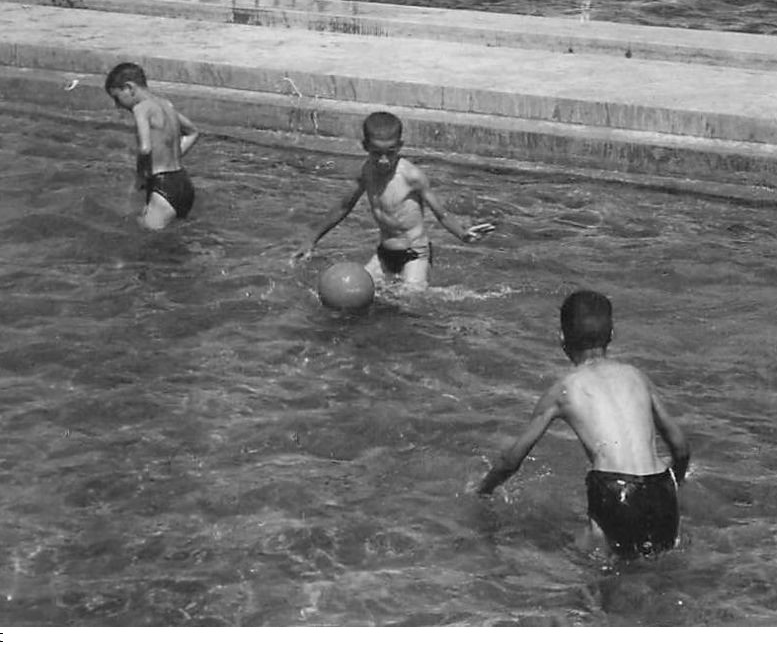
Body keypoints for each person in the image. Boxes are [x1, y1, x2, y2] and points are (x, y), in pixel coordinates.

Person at [478, 289, 691, 560]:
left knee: (588, 572)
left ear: (561, 339)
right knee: (656, 571)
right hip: (661, 487)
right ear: (612, 335)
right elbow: (681, 448)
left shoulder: (564, 389)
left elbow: (512, 460)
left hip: (615, 489)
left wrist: (483, 490)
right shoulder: (636, 377)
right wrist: (676, 484)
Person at [293, 111, 488, 291]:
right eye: (377, 153)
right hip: (384, 254)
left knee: (410, 300)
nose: (384, 160)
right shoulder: (365, 173)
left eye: (390, 152)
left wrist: (463, 234)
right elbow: (343, 207)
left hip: (414, 253)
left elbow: (442, 214)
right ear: (365, 147)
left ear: (400, 147)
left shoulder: (412, 176)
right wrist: (311, 239)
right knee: (352, 291)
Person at [104, 62, 200, 230]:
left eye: (117, 98)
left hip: (163, 186)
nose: (117, 105)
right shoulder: (166, 104)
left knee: (146, 243)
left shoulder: (141, 108)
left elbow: (145, 148)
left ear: (129, 88)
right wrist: (172, 156)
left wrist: (141, 177)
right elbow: (192, 132)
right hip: (184, 183)